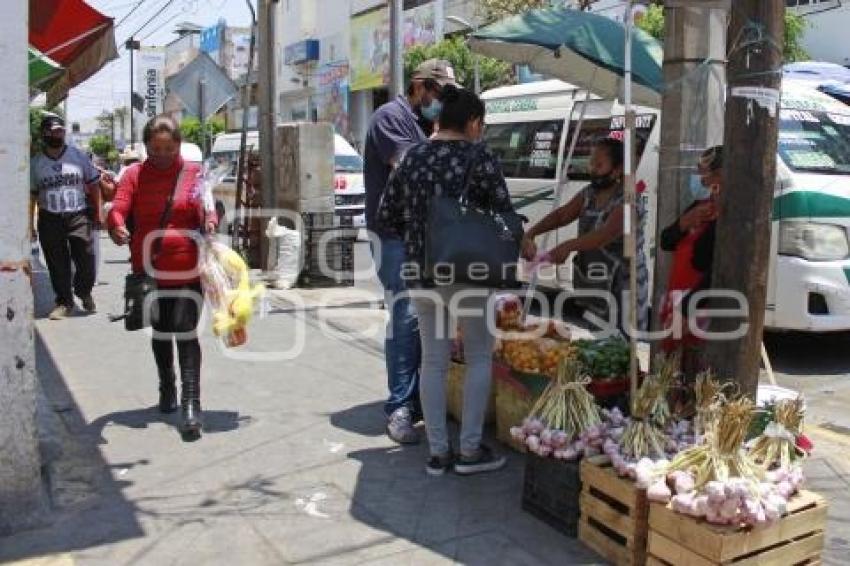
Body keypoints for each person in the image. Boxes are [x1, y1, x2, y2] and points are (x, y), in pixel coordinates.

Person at [376, 85, 514, 476]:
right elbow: (504, 213)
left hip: (422, 272)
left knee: (433, 361)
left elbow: (386, 217)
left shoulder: (413, 157)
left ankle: (438, 453)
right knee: (478, 357)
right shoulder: (480, 157)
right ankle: (470, 450)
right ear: (473, 123)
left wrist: (419, 231)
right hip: (472, 273)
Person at [364, 58, 457, 444]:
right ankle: (399, 407)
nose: (442, 103)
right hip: (393, 235)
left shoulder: (427, 125)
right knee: (405, 313)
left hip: (425, 236)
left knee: (428, 318)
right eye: (440, 94)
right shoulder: (391, 117)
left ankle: (421, 400)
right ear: (420, 87)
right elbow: (413, 170)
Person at [107, 115, 217, 440]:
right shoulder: (134, 175)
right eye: (156, 149)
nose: (163, 155)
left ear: (179, 145)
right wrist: (117, 224)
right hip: (148, 270)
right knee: (160, 331)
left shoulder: (195, 174)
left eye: (169, 148)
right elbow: (119, 207)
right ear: (146, 147)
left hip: (187, 268)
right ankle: (166, 386)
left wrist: (210, 220)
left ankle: (191, 402)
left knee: (185, 332)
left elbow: (207, 208)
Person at [521, 138, 649, 334]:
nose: (592, 169)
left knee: (622, 343)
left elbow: (605, 235)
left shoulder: (629, 199)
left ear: (616, 170)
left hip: (624, 282)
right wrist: (531, 232)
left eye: (599, 165)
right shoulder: (589, 193)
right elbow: (562, 215)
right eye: (591, 163)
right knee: (598, 335)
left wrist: (567, 246)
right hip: (597, 280)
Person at [30, 114, 116, 320]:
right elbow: (31, 195)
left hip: (79, 214)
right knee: (56, 262)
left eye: (60, 131)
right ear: (44, 134)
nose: (56, 134)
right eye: (52, 131)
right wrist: (29, 225)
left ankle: (83, 291)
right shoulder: (36, 163)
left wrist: (98, 213)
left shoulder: (78, 156)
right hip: (49, 217)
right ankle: (64, 302)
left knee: (86, 257)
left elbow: (94, 185)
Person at [658, 146, 722, 370]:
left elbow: (717, 270)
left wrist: (686, 310)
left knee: (695, 372)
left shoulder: (730, 213)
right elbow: (666, 241)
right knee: (673, 369)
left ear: (720, 175)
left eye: (702, 171)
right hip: (679, 298)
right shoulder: (701, 205)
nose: (698, 177)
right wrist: (684, 223)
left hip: (702, 306)